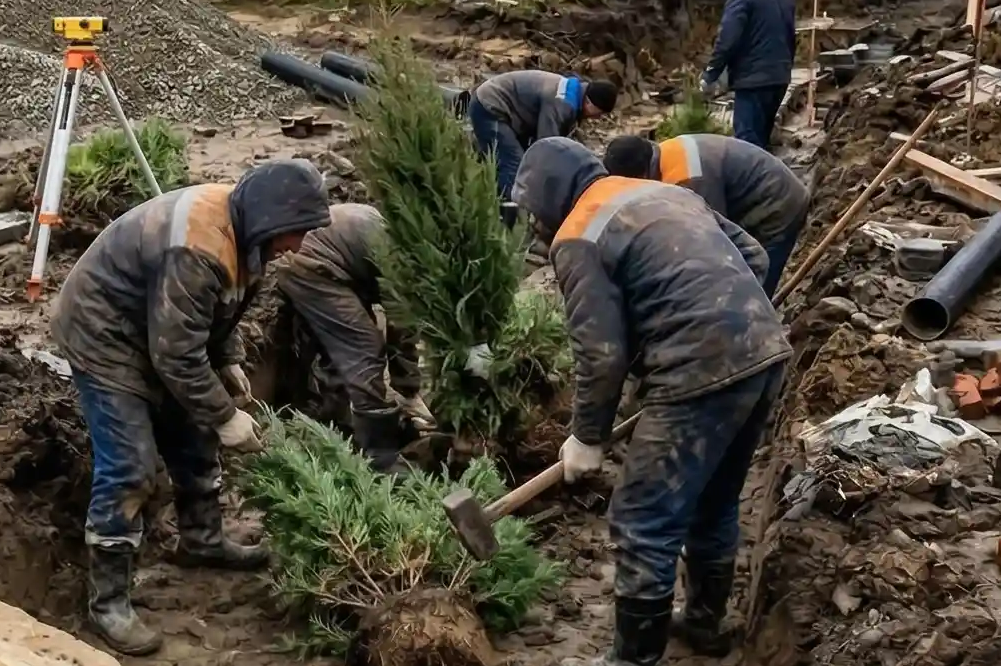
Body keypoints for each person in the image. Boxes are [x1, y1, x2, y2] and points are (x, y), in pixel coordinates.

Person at [513, 137, 792, 666]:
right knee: (713, 499)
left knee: (643, 513)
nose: (536, 230)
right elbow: (756, 257)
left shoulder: (578, 234)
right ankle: (705, 624)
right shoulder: (661, 193)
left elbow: (601, 354)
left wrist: (586, 437)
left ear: (545, 199)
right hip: (765, 352)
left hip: (699, 370)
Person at [50, 158, 330, 656]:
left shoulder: (250, 233)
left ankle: (201, 541)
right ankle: (109, 601)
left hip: (156, 328)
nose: (299, 247)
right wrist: (226, 417)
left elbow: (218, 309)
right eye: (297, 233)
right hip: (104, 333)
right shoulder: (197, 248)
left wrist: (229, 358)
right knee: (132, 466)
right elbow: (176, 354)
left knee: (195, 436)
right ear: (273, 219)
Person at [273, 203, 432, 468]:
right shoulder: (407, 264)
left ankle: (336, 418)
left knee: (349, 338)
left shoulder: (406, 242)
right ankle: (379, 452)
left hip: (332, 258)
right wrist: (409, 388)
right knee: (364, 346)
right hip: (310, 262)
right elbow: (402, 329)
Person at [601, 130, 810, 295]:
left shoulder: (689, 180)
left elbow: (711, 242)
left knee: (751, 287)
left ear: (641, 174)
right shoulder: (664, 155)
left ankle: (757, 340)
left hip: (776, 205)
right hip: (758, 195)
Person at [465, 70, 618, 206]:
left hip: (512, 110)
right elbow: (547, 146)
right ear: (589, 102)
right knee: (514, 165)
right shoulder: (561, 103)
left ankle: (486, 195)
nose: (597, 118)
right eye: (599, 113)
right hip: (490, 106)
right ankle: (512, 217)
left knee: (516, 161)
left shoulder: (574, 94)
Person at [700, 0, 796, 151]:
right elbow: (790, 36)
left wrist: (711, 74)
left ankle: (750, 182)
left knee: (746, 143)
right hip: (780, 76)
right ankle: (765, 179)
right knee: (762, 138)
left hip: (753, 79)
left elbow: (727, 38)